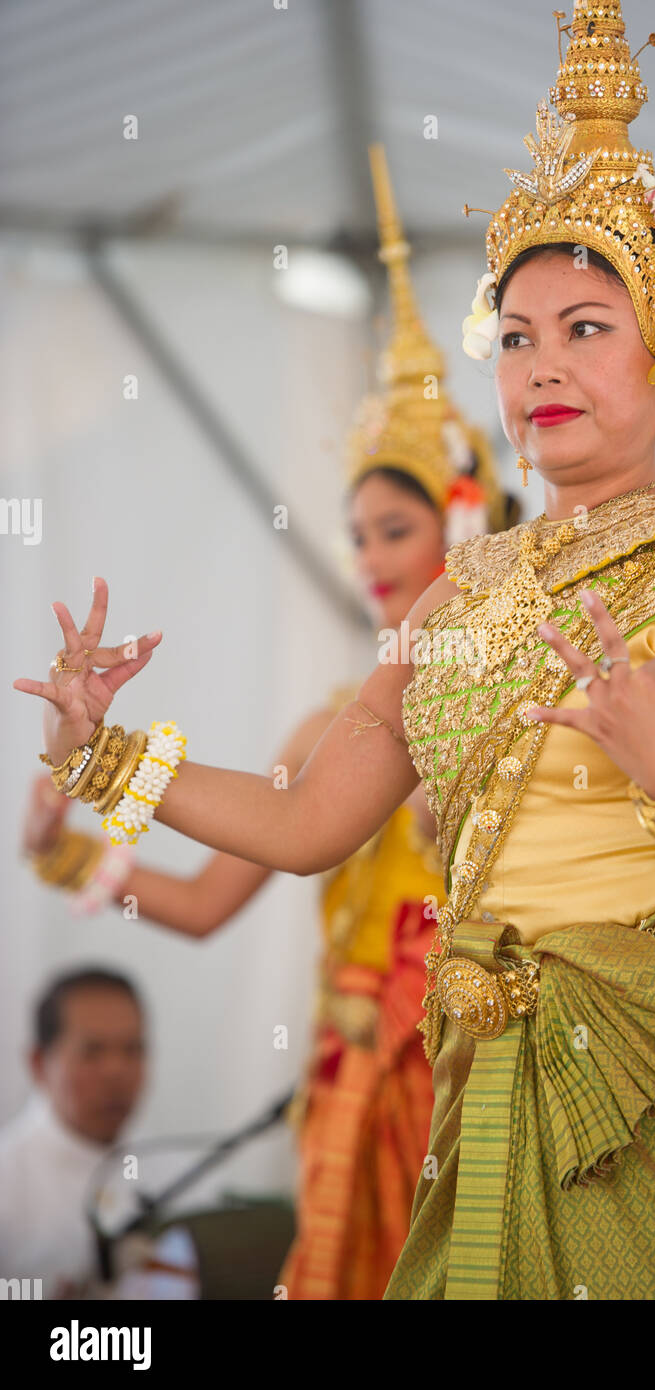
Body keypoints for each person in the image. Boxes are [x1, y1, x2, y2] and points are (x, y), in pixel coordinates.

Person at [14, 2, 655, 1300]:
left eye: (586, 326)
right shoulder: (458, 598)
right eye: (517, 337)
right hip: (491, 1068)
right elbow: (305, 821)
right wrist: (105, 760)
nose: (541, 367)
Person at [18, 146, 511, 1302]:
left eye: (395, 528)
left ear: (463, 517)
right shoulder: (330, 731)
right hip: (349, 1085)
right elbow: (194, 908)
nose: (371, 559)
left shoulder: (529, 699)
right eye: (357, 535)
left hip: (479, 1074)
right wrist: (74, 855)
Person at [0, 968, 146, 1298]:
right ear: (39, 1063)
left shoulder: (173, 1166)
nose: (116, 1072)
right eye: (92, 1051)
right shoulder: (7, 1178)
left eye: (133, 1049)